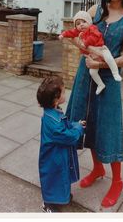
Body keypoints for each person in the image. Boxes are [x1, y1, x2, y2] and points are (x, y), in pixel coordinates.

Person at [65, 0, 123, 208]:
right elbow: (79, 34)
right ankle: (97, 168)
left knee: (109, 127)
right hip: (85, 76)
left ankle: (117, 180)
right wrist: (79, 44)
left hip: (108, 81)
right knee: (88, 122)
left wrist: (99, 61)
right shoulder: (95, 11)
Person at [37, 75, 86, 213]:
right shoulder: (52, 120)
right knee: (53, 178)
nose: (65, 94)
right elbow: (67, 136)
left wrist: (75, 124)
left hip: (58, 155)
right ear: (55, 99)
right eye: (63, 92)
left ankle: (61, 197)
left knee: (61, 177)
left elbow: (66, 124)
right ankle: (48, 204)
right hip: (53, 158)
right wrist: (78, 129)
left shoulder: (54, 112)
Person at [59, 10, 122, 95]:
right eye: (78, 23)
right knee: (92, 72)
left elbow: (95, 36)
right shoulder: (79, 32)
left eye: (84, 21)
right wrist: (63, 35)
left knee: (109, 58)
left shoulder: (93, 28)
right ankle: (100, 84)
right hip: (92, 55)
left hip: (101, 49)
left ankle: (115, 73)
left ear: (89, 22)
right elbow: (71, 32)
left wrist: (85, 43)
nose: (81, 24)